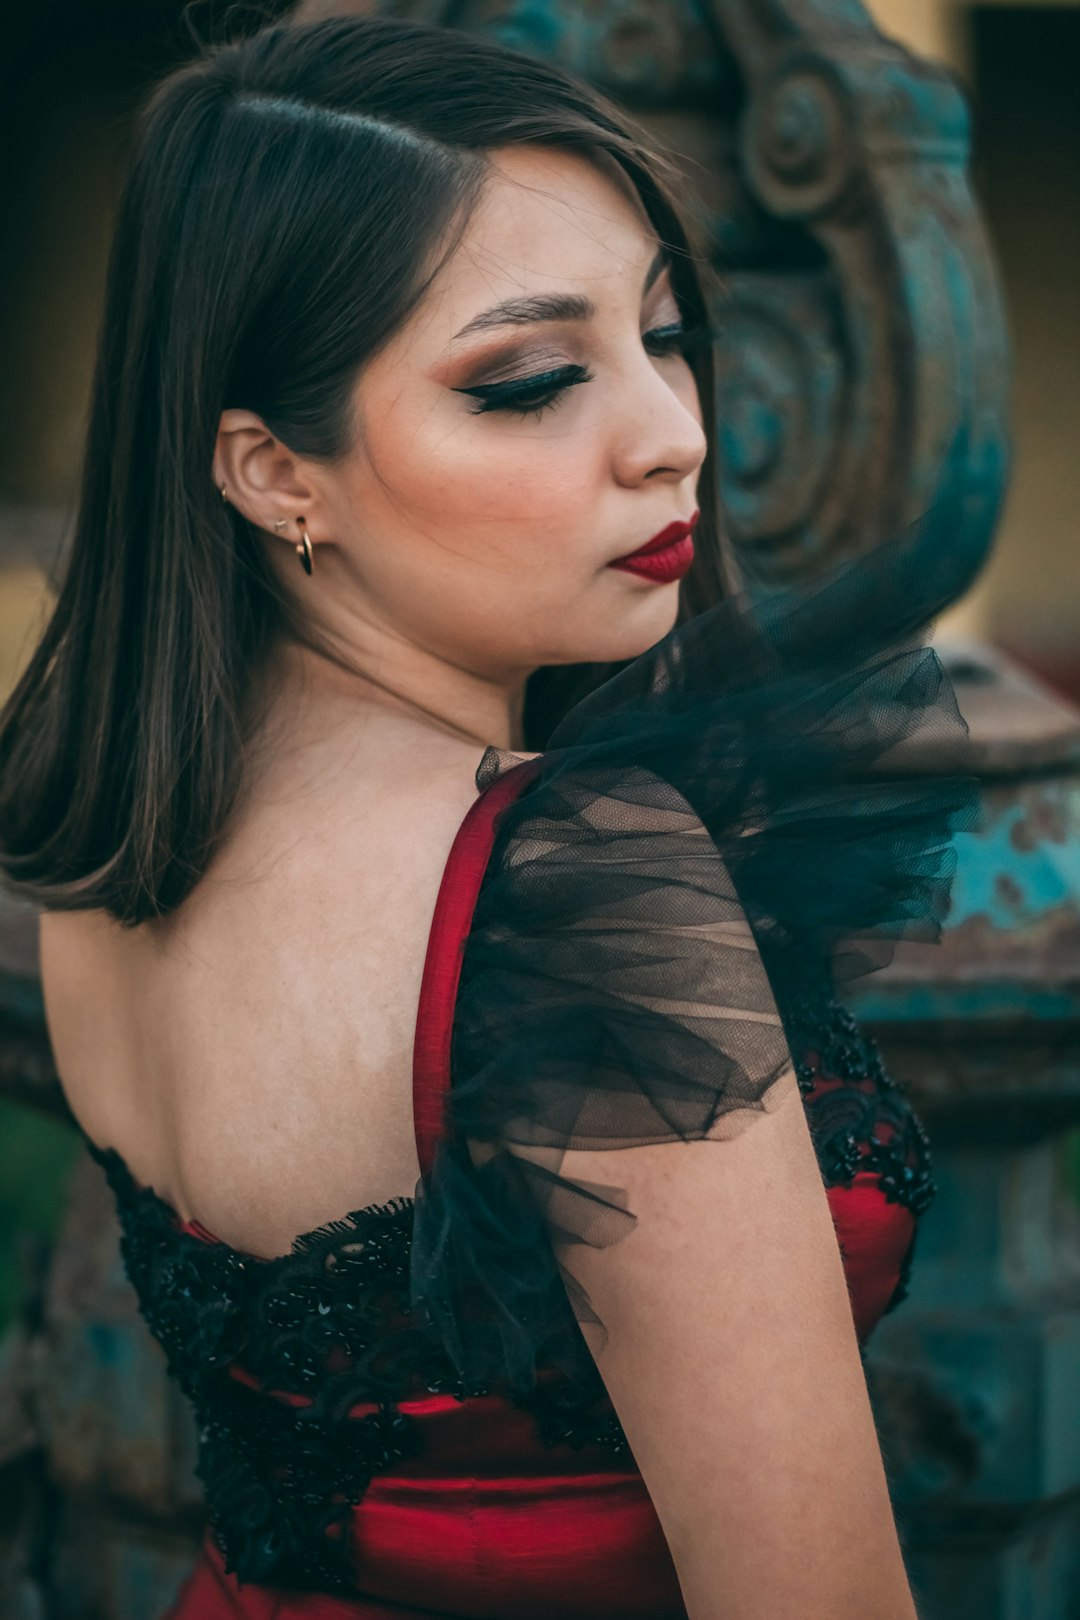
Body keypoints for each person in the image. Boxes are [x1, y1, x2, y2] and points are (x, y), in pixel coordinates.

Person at [0, 15, 980, 1618]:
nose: (677, 434)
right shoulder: (573, 892)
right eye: (528, 382)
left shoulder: (107, 854)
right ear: (270, 472)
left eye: (668, 337)